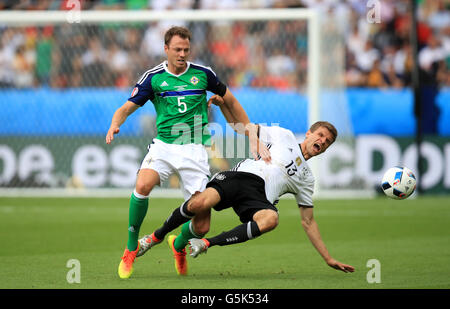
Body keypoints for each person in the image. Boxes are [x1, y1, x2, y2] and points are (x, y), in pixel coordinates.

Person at [106, 26, 270, 279]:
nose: (182, 54)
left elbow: (232, 101)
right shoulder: (153, 77)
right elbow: (126, 108)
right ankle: (131, 246)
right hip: (164, 146)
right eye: (177, 49)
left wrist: (250, 133)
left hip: (195, 151)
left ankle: (178, 244)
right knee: (143, 184)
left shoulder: (203, 75)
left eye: (186, 49)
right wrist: (116, 123)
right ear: (166, 49)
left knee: (202, 226)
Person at [147, 119, 355, 274]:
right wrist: (255, 141)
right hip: (240, 178)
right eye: (319, 135)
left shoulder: (307, 179)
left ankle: (207, 244)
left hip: (258, 199)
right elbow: (249, 127)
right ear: (309, 134)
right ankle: (157, 236)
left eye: (326, 142)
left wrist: (328, 258)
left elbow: (308, 221)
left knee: (271, 219)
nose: (322, 141)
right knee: (200, 206)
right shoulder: (285, 137)